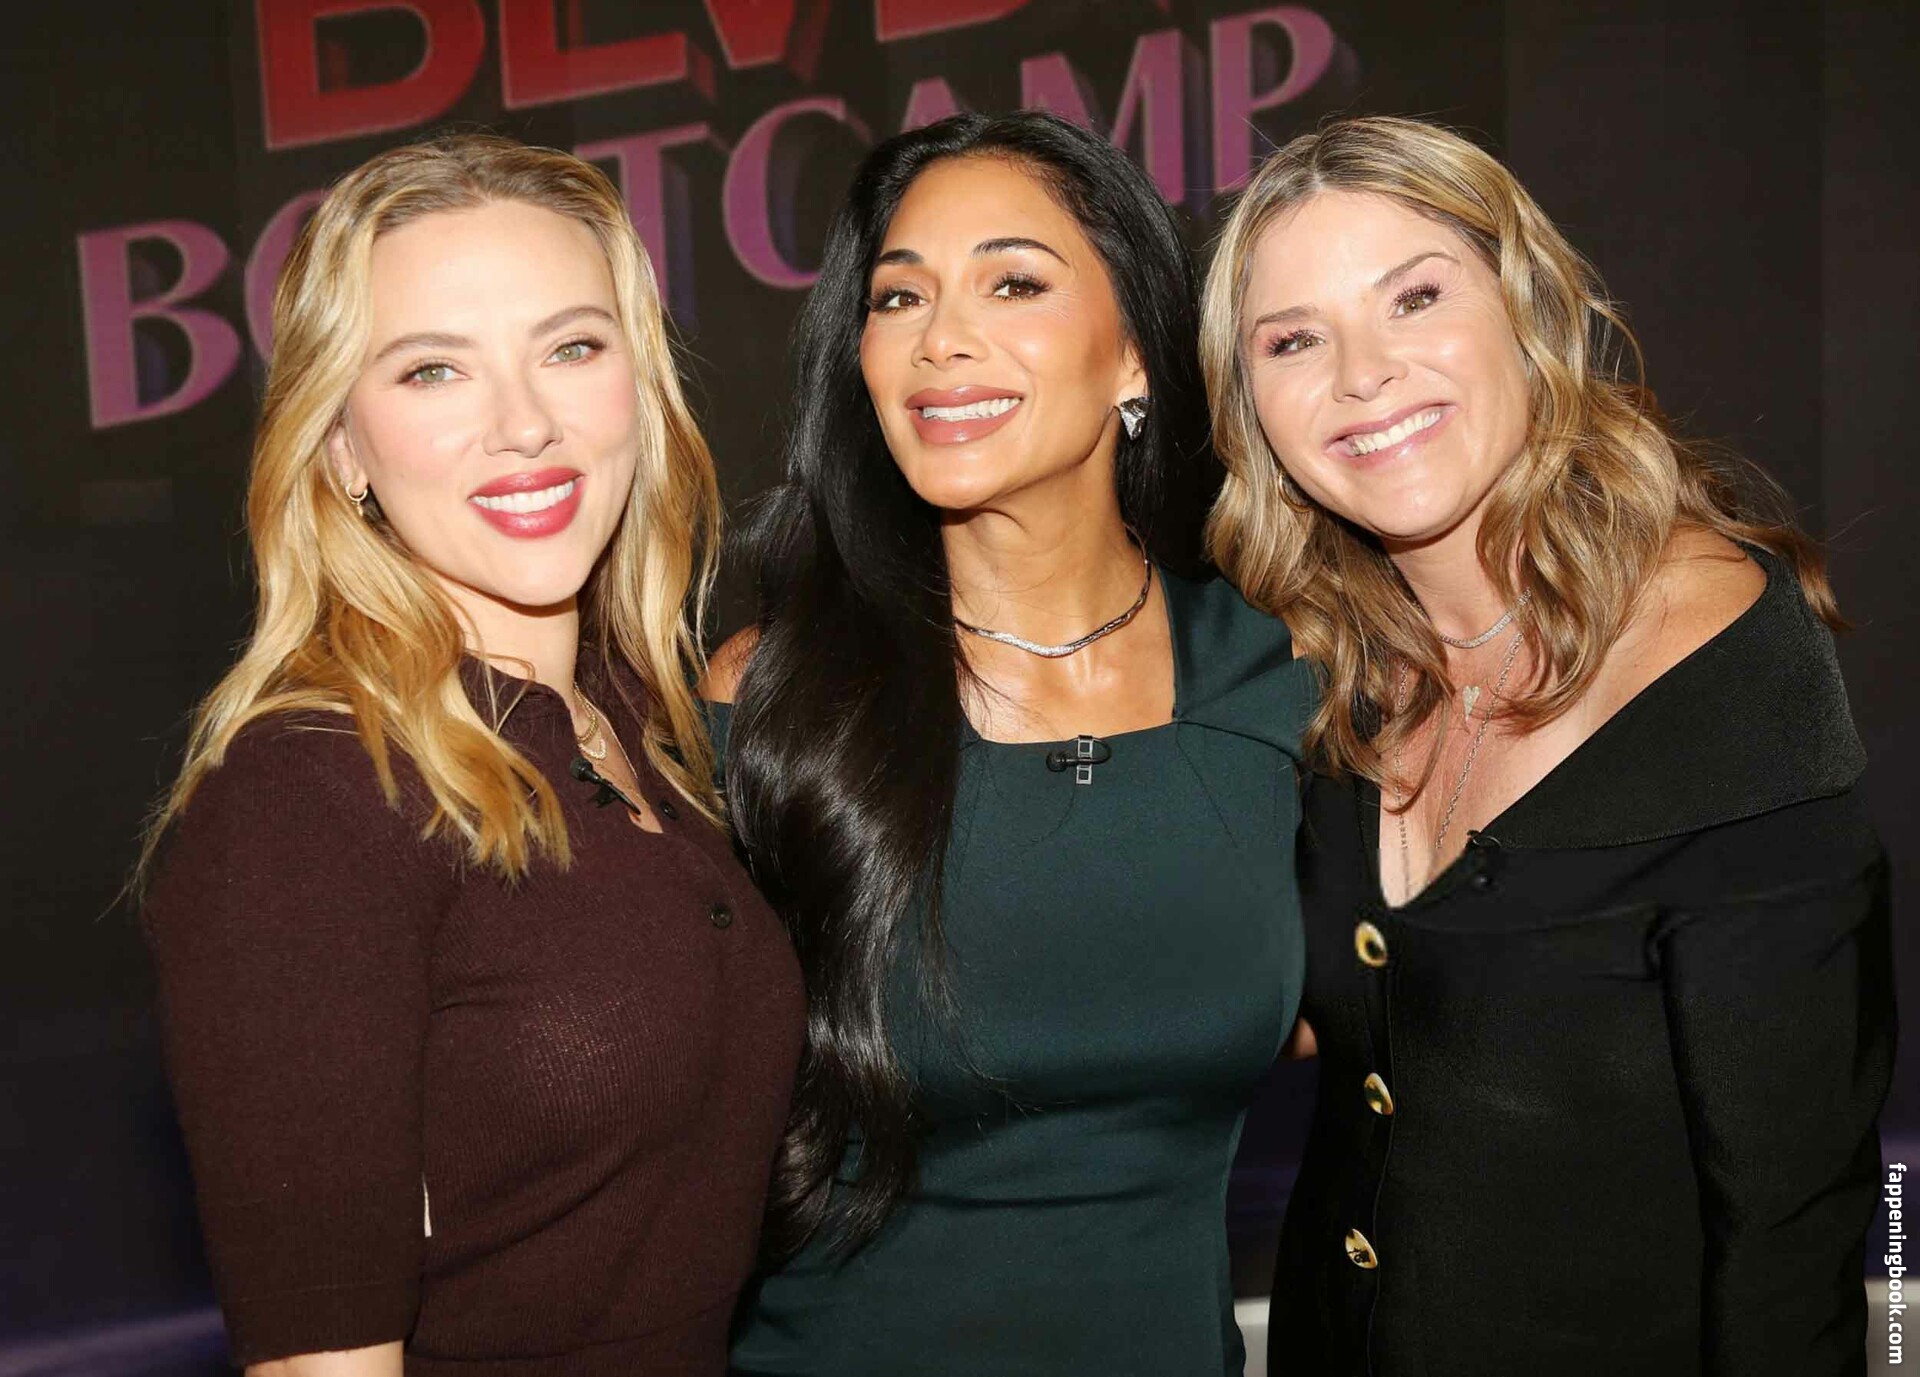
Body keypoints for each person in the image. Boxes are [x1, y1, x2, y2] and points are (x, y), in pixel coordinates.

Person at [1199, 114, 1893, 1377]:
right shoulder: (1319, 670)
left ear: (1526, 310)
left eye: (1415, 298)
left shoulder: (1720, 666)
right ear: (1249, 409)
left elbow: (1793, 1232)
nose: (1363, 374)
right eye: (1293, 340)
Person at [137, 134, 803, 1376]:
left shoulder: (647, 728)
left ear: (640, 385)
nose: (525, 425)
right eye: (434, 369)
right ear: (342, 448)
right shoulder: (311, 799)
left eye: (572, 348)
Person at [704, 112, 1316, 1376]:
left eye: (1014, 282)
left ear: (1136, 353)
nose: (940, 338)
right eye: (898, 297)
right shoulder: (774, 700)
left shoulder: (1283, 676)